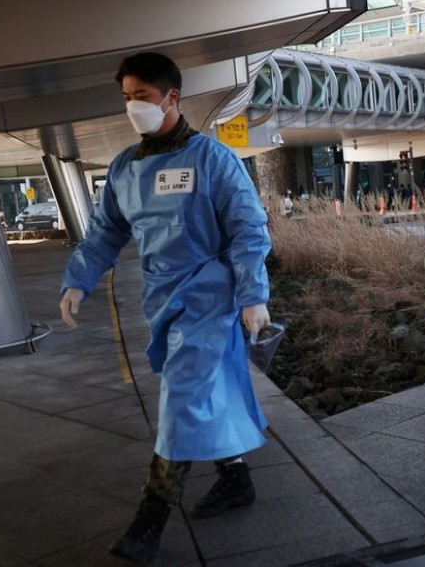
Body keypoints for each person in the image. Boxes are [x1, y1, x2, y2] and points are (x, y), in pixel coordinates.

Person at [58, 52, 272, 564]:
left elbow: (248, 228)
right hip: (163, 300)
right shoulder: (125, 168)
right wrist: (77, 281)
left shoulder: (212, 160)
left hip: (210, 298)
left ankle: (149, 522)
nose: (134, 107)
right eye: (128, 98)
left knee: (181, 398)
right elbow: (107, 231)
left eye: (143, 97)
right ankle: (235, 477)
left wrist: (252, 295)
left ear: (172, 97)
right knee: (202, 391)